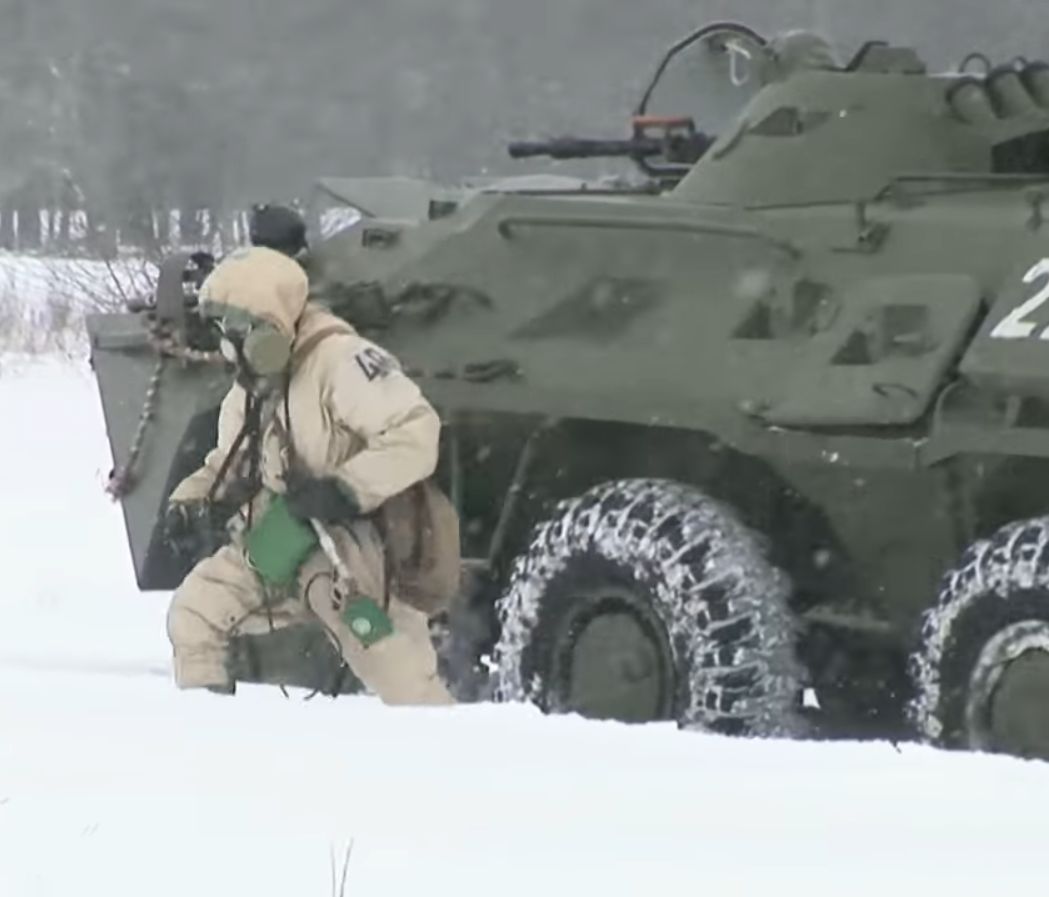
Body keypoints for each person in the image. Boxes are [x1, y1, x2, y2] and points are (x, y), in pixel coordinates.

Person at [163, 203, 454, 705]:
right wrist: (191, 500)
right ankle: (206, 741)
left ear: (269, 324)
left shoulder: (341, 361)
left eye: (239, 331)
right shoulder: (255, 379)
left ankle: (444, 744)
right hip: (280, 534)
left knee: (388, 661)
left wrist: (345, 487)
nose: (229, 347)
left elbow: (417, 431)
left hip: (350, 544)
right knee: (195, 614)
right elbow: (230, 459)